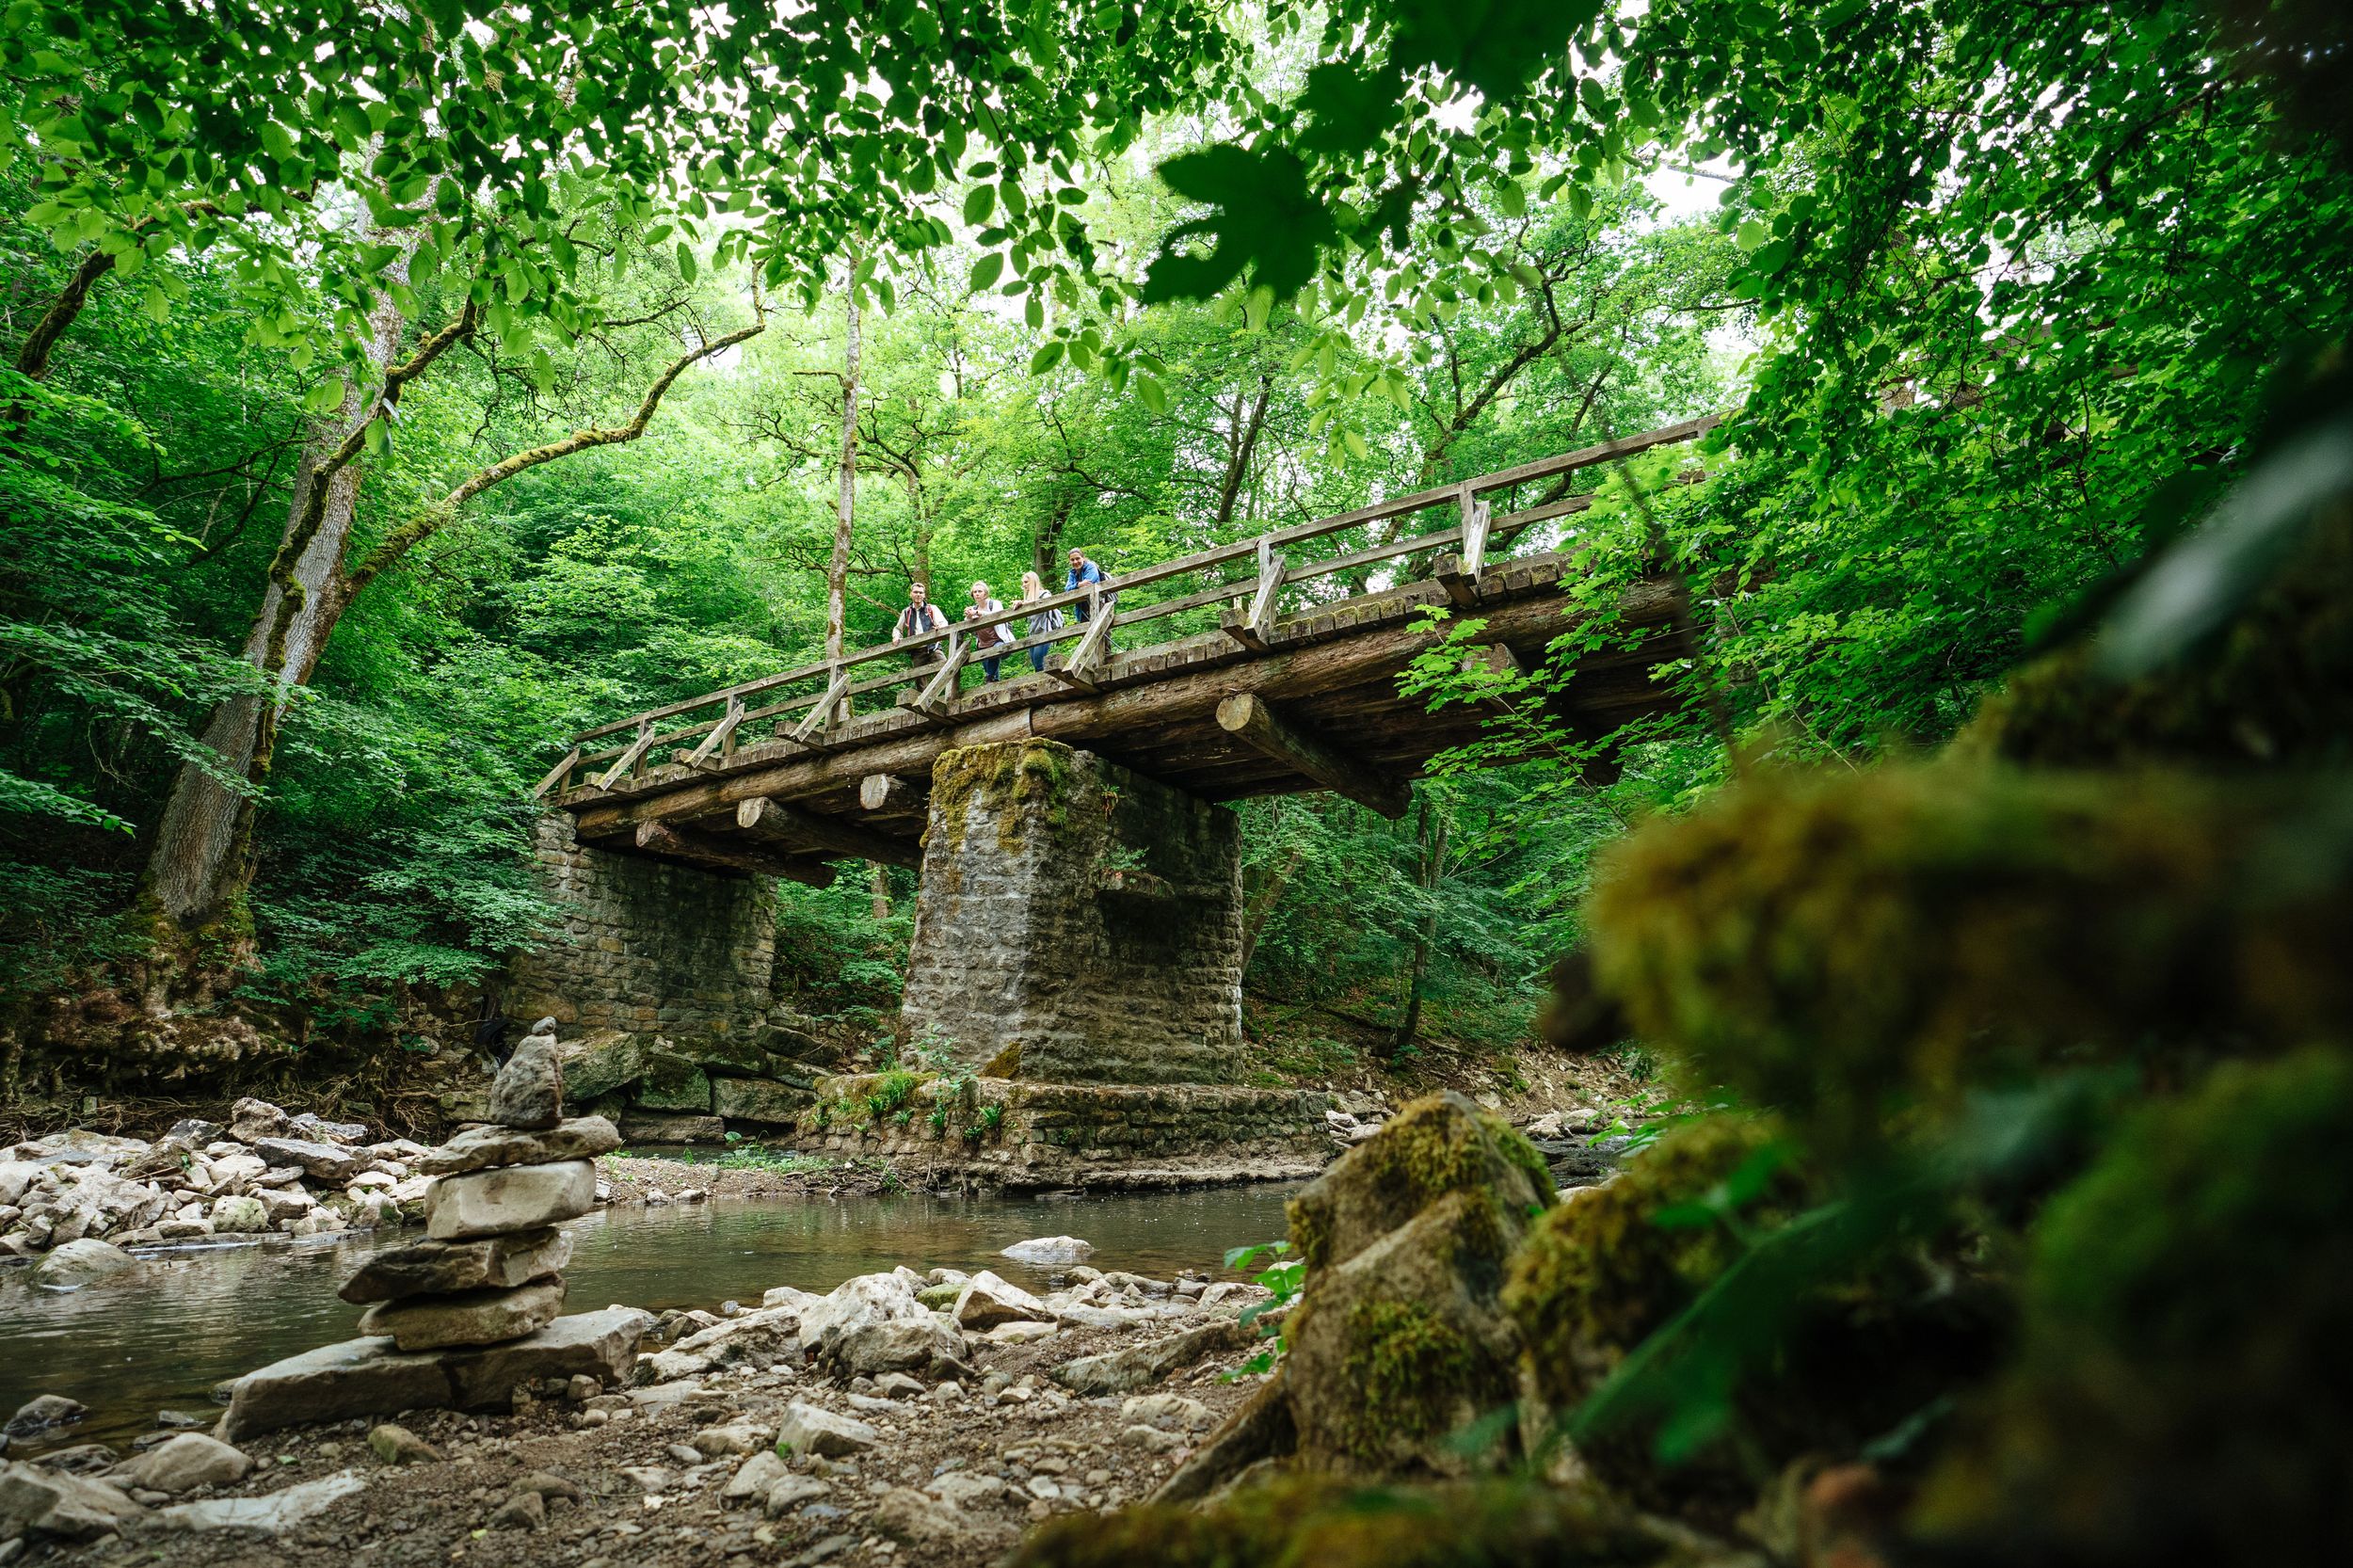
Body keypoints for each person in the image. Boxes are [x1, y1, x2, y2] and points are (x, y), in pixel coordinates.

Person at [965, 580, 1015, 682]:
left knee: (994, 655)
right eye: (975, 592)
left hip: (999, 640)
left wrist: (977, 613)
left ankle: (989, 678)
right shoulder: (973, 608)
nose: (977, 594)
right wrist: (969, 616)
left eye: (980, 591)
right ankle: (993, 688)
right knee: (992, 675)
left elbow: (996, 615)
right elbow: (967, 625)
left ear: (986, 593)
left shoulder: (995, 603)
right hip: (983, 644)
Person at [1016, 568, 1064, 672]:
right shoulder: (1027, 599)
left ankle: (1046, 682)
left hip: (1044, 632)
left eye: (1026, 582)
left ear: (1033, 581)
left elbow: (1045, 604)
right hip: (1033, 633)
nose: (1023, 585)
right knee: (1035, 663)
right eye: (1023, 582)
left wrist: (1025, 604)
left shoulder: (1045, 594)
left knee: (1039, 662)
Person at [893, 581, 949, 664]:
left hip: (933, 647)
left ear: (924, 595)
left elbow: (943, 623)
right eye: (915, 592)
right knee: (920, 676)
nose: (918, 594)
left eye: (921, 592)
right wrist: (896, 637)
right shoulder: (906, 612)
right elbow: (897, 629)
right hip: (917, 651)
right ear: (911, 594)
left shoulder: (932, 608)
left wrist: (940, 627)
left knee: (946, 669)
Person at [1064, 547, 1107, 620]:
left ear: (1083, 558)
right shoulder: (1072, 573)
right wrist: (1078, 585)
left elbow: (1087, 585)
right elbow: (1067, 589)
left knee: (1102, 629)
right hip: (1082, 610)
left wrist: (1074, 587)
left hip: (1097, 604)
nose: (1075, 562)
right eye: (1072, 560)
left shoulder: (1091, 567)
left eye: (1077, 558)